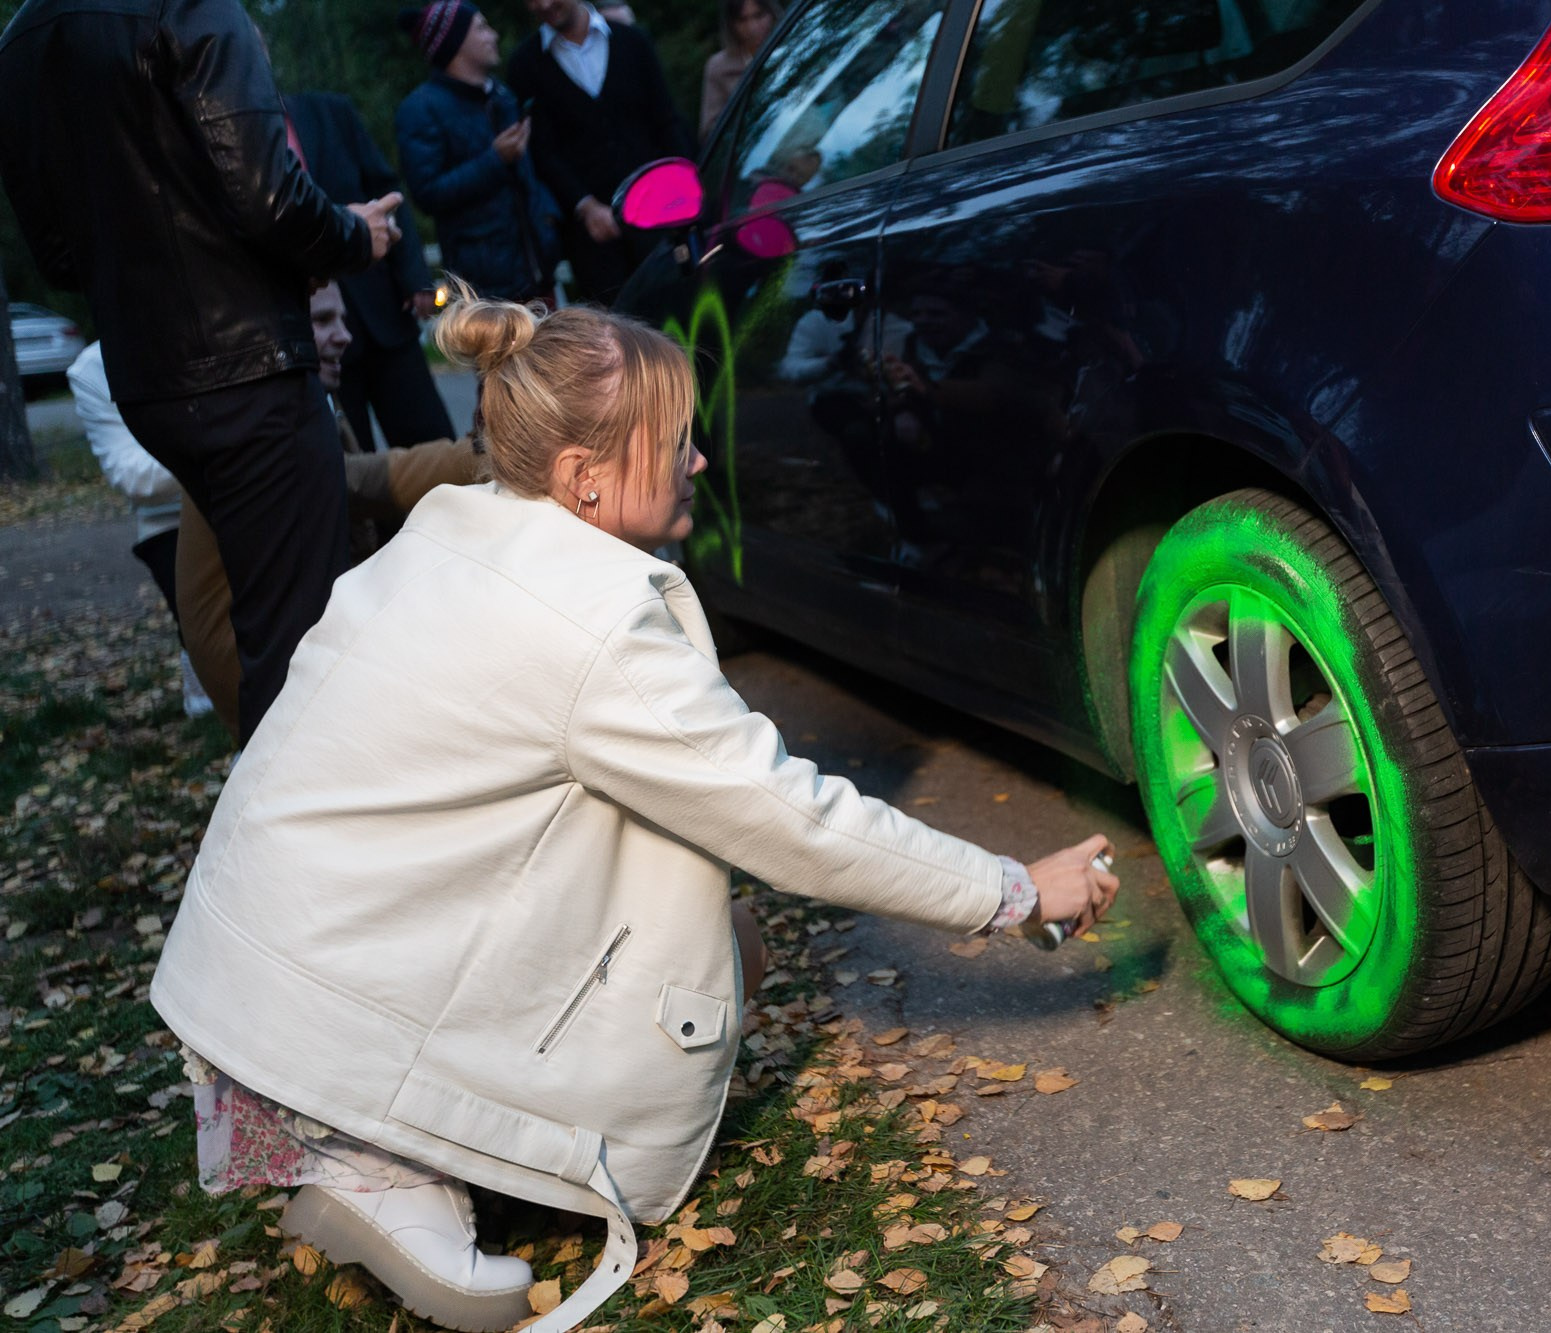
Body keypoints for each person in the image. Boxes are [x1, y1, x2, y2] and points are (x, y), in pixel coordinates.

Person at [148, 287, 1120, 1333]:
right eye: (676, 443)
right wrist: (1014, 890)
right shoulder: (591, 627)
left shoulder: (450, 535)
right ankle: (380, 1157)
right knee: (706, 975)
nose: (697, 462)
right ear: (586, 479)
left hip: (249, 974)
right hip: (324, 1014)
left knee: (726, 943)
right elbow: (789, 816)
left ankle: (368, 1131)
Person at [0, 0, 404, 742]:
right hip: (250, 372)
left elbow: (57, 256)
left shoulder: (20, 38)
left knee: (276, 631)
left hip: (151, 382)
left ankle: (302, 824)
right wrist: (356, 234)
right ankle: (296, 842)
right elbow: (272, 197)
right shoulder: (190, 6)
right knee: (303, 656)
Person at [175, 284, 484, 740]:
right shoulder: (254, 415)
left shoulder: (290, 400)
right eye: (322, 322)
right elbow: (354, 481)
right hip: (266, 680)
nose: (344, 337)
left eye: (341, 320)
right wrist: (484, 455)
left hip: (285, 656)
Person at [286, 89, 456, 448]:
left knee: (433, 444)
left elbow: (385, 190)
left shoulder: (330, 111)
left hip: (382, 313)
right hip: (313, 339)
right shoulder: (236, 139)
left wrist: (414, 275)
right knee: (352, 464)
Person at [507, 0, 695, 303]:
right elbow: (541, 152)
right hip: (591, 238)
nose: (543, 4)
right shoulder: (525, 65)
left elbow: (666, 121)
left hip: (660, 216)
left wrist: (681, 189)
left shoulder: (633, 41)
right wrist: (584, 205)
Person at [66, 344, 215, 719]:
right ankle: (205, 678)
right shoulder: (92, 369)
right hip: (169, 518)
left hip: (254, 490)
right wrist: (225, 450)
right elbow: (131, 475)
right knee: (208, 628)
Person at [396, 2, 563, 305]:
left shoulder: (502, 95)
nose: (494, 35)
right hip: (486, 288)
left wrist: (550, 220)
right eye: (482, 28)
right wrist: (495, 160)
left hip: (538, 270)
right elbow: (428, 194)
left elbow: (529, 176)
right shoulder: (420, 109)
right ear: (455, 41)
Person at [701, 0, 782, 142]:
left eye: (759, 16)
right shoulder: (720, 68)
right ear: (731, 25)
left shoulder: (796, 45)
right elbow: (711, 133)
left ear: (771, 12)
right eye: (742, 20)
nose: (753, 27)